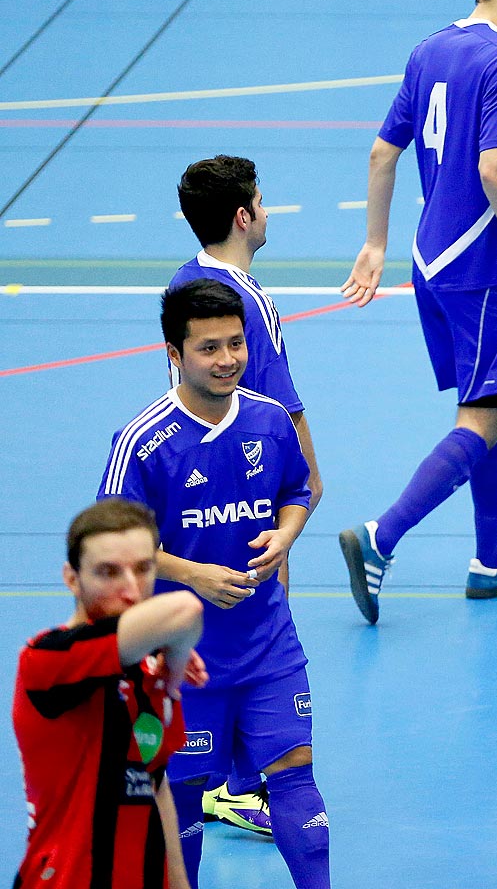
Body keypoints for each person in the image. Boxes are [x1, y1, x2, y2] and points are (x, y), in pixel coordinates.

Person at [337, 0, 497, 623]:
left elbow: (382, 152)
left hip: (428, 256)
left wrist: (374, 243)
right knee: (485, 412)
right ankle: (381, 538)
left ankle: (490, 559)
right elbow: (496, 169)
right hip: (481, 262)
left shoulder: (429, 48)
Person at [98, 279, 329, 888]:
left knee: (297, 779)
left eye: (236, 344)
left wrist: (287, 534)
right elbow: (114, 544)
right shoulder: (143, 442)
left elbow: (297, 492)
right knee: (185, 799)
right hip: (184, 660)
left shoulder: (270, 420)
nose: (227, 360)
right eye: (208, 348)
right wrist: (192, 573)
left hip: (269, 644)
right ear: (174, 353)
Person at [174, 153, 325, 836]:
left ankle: (223, 773)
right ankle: (240, 783)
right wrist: (309, 481)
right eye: (262, 200)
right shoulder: (249, 300)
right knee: (264, 604)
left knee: (219, 614)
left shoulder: (185, 284)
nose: (267, 210)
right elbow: (280, 402)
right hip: (250, 471)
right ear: (243, 216)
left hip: (195, 472)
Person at [12, 498, 206, 889]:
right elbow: (185, 609)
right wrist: (177, 654)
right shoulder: (49, 659)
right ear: (72, 578)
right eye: (108, 573)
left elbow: (155, 781)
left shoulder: (150, 669)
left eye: (142, 569)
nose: (131, 590)